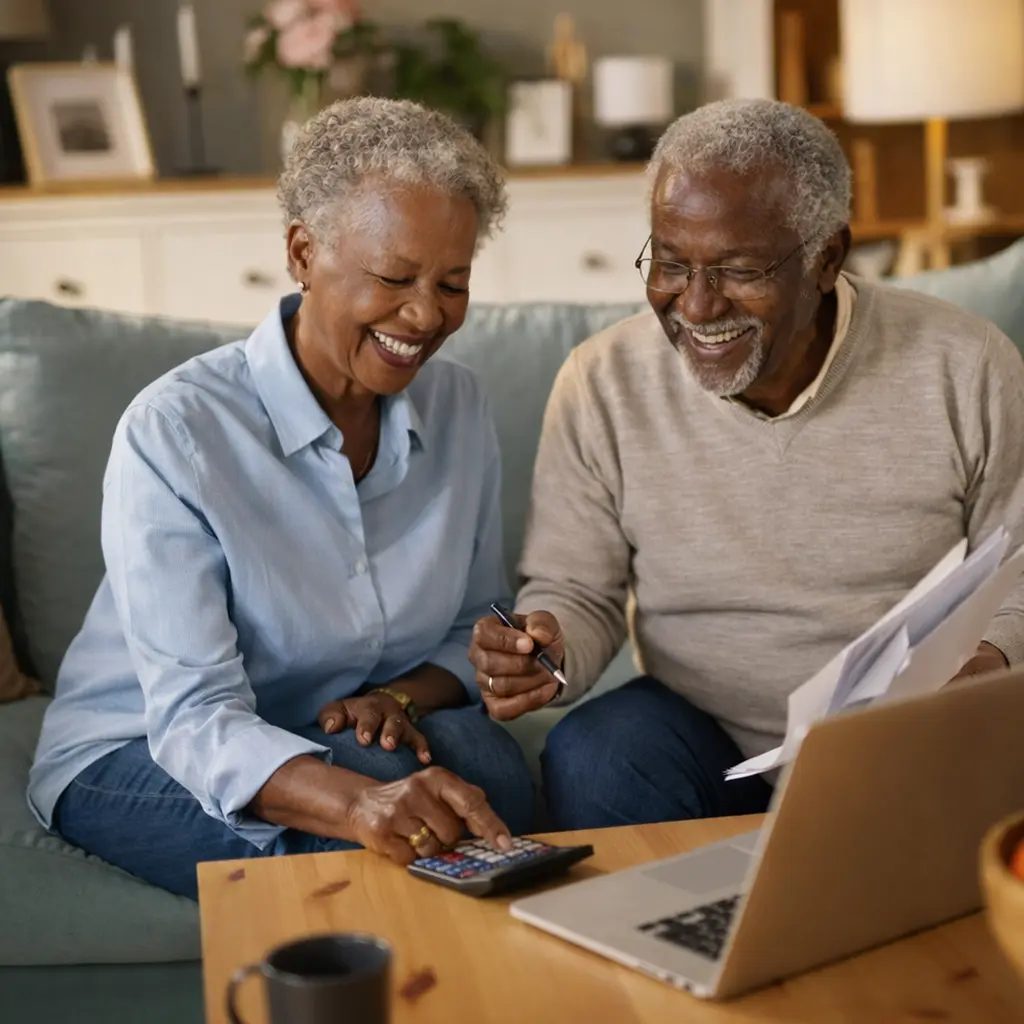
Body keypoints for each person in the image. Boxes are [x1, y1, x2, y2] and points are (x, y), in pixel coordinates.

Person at [467, 98, 1024, 831]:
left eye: (738, 269)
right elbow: (577, 589)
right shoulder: (603, 381)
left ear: (827, 259)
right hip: (702, 734)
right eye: (671, 263)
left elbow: (1019, 568)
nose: (697, 306)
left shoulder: (964, 365)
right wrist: (545, 646)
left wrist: (989, 662)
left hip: (902, 734)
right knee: (596, 756)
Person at [28, 98, 534, 899]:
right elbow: (193, 718)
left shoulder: (459, 408)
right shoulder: (177, 432)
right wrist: (361, 802)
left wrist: (397, 697)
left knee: (493, 771)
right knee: (381, 857)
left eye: (454, 283)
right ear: (303, 251)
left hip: (310, 728)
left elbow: (472, 621)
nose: (426, 314)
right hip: (142, 748)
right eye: (394, 278)